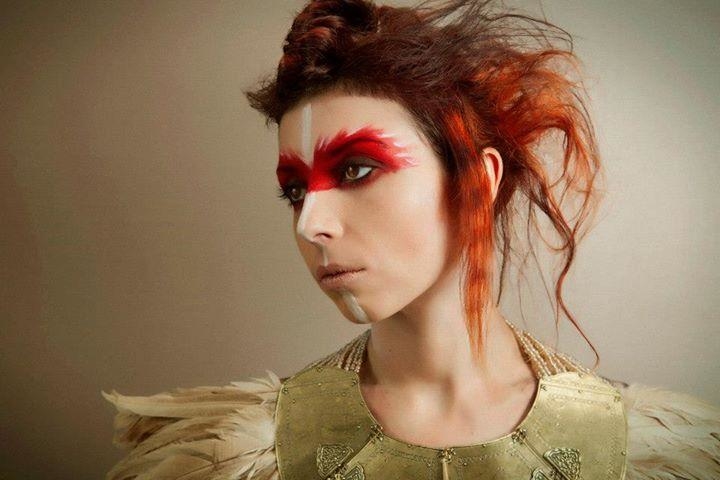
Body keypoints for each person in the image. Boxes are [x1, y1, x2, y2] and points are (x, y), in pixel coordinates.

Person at [102, 1, 719, 479]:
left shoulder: (647, 452)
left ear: (477, 181)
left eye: (355, 170)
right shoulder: (238, 455)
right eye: (294, 189)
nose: (310, 223)